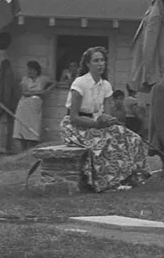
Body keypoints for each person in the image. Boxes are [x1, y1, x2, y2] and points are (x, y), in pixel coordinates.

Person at [62, 47, 151, 191]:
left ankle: (132, 176)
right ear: (88, 64)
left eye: (102, 60)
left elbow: (107, 115)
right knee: (104, 142)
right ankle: (105, 182)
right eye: (96, 61)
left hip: (97, 124)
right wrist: (96, 124)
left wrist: (108, 121)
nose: (100, 64)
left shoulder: (106, 86)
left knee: (131, 137)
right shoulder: (80, 83)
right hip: (77, 126)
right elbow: (73, 117)